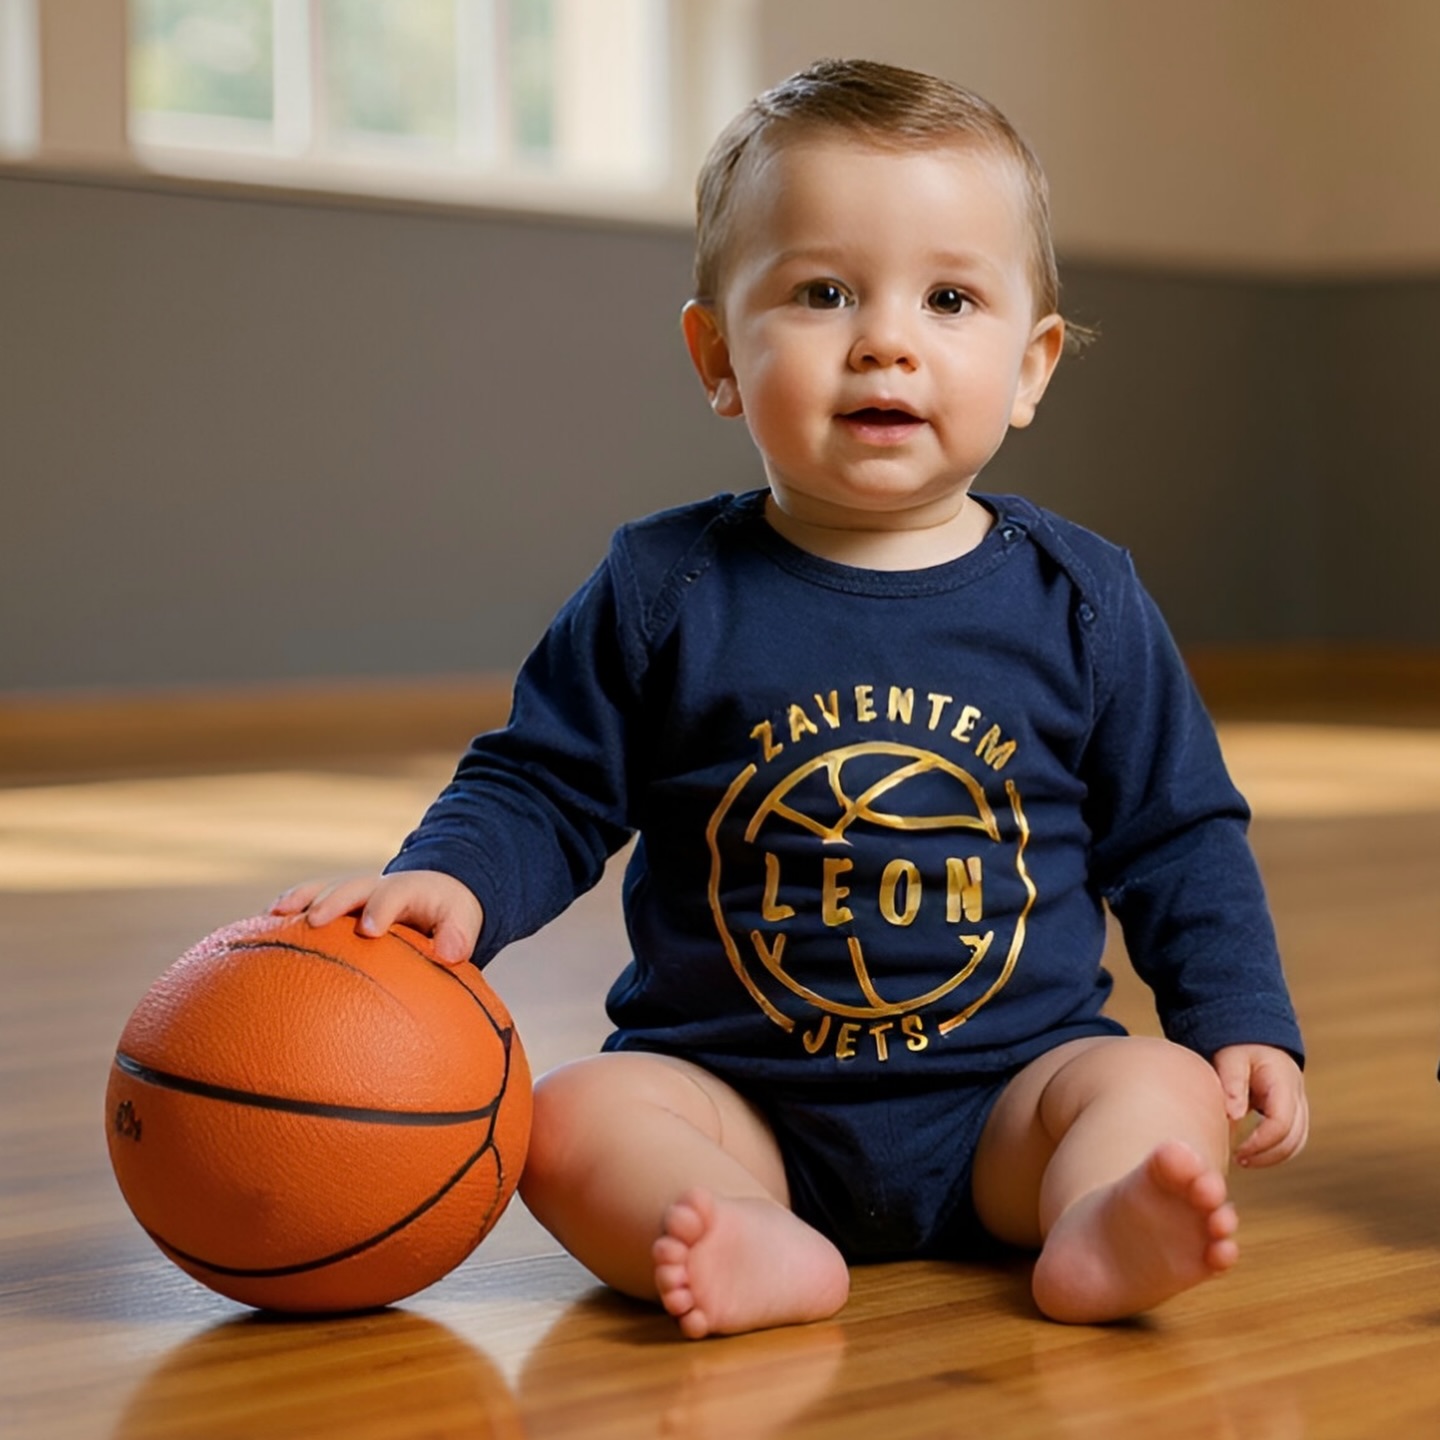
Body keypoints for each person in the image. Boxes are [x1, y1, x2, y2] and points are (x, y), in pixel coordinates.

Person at [274, 58, 1308, 1337]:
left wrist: (1238, 1019)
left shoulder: (1079, 596)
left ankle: (1098, 1216)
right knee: (566, 1120)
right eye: (823, 292)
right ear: (717, 353)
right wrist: (456, 882)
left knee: (1152, 1086)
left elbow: (1177, 832)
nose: (886, 337)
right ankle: (749, 1239)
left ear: (1032, 366)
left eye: (949, 297)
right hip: (734, 1102)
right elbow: (540, 780)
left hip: (1015, 1100)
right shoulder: (666, 585)